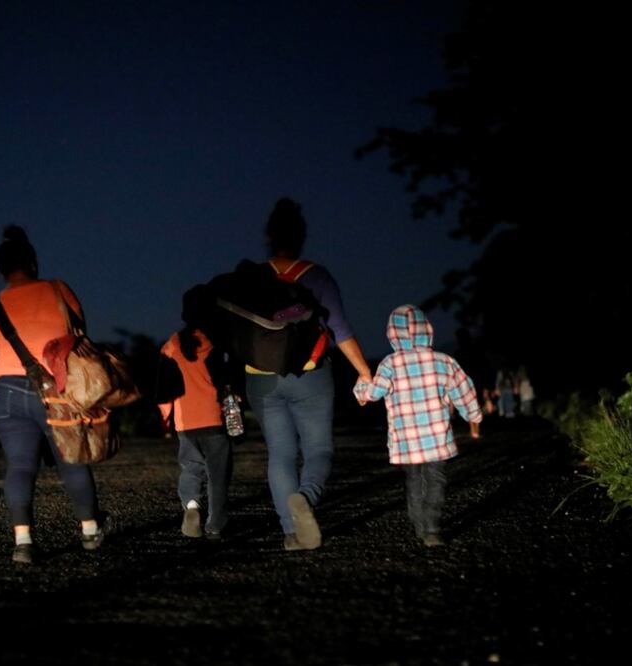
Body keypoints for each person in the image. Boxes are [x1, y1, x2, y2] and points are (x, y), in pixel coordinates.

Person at [244, 198, 373, 551]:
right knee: (318, 449)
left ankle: (291, 532)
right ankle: (306, 497)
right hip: (311, 374)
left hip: (260, 376)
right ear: (301, 236)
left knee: (280, 454)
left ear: (268, 236)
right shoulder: (316, 275)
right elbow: (341, 330)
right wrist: (365, 372)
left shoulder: (251, 276)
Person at [0, 225, 107, 564]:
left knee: (19, 465)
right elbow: (79, 332)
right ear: (34, 262)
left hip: (6, 394)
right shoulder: (58, 289)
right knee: (71, 458)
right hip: (56, 389)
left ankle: (23, 541)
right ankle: (90, 531)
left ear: (0, 270)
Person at [354, 304, 482, 547]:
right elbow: (464, 390)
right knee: (435, 480)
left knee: (414, 480)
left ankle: (418, 524)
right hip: (436, 436)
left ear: (393, 334)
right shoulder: (444, 361)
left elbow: (374, 391)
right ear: (427, 330)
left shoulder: (390, 364)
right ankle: (432, 528)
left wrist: (360, 389)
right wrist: (473, 414)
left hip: (407, 440)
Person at [157, 286, 236, 540]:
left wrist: (166, 417)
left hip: (184, 421)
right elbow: (227, 382)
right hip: (214, 420)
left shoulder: (171, 345)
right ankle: (215, 525)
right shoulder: (216, 343)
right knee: (218, 475)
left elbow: (164, 388)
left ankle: (191, 506)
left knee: (191, 467)